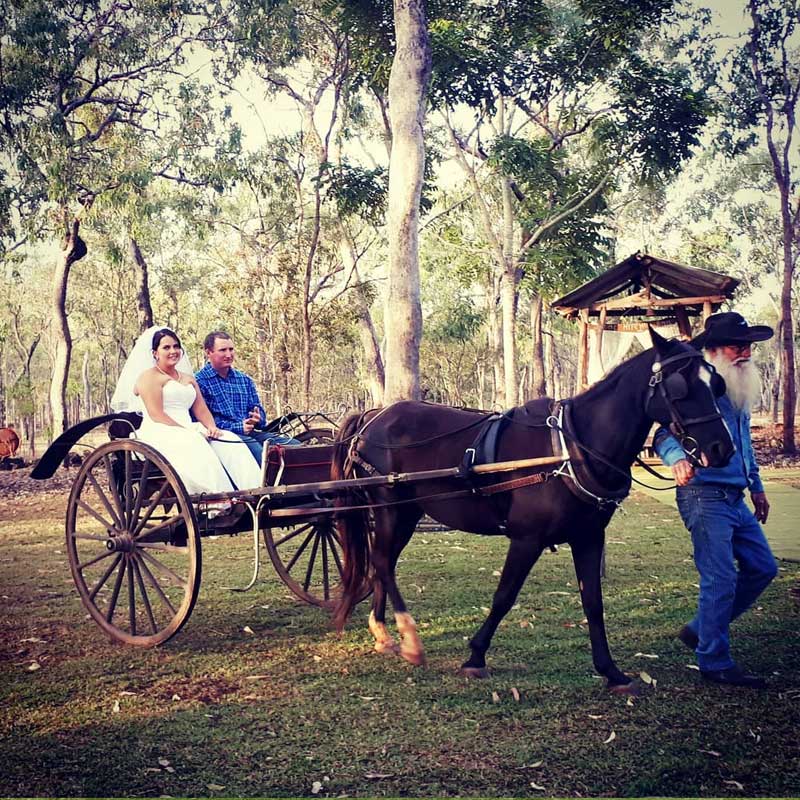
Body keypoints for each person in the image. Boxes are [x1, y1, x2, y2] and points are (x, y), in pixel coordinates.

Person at [654, 311, 778, 688]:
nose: (745, 352)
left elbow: (744, 445)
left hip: (735, 496)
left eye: (748, 346)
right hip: (702, 494)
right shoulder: (697, 386)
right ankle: (713, 661)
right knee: (720, 577)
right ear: (713, 350)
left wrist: (755, 485)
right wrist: (676, 460)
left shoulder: (738, 388)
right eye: (736, 346)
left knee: (763, 568)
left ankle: (699, 630)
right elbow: (662, 434)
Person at [111, 326, 261, 510]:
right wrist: (191, 430)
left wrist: (211, 427)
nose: (173, 351)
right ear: (155, 352)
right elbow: (157, 415)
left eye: (176, 346)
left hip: (189, 428)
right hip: (160, 430)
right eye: (166, 347)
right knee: (193, 442)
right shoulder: (149, 378)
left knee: (228, 438)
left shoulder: (188, 379)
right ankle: (213, 502)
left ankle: (253, 492)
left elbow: (201, 410)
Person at [195, 330, 299, 466]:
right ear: (208, 352)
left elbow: (258, 412)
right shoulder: (200, 381)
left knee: (296, 447)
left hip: (250, 434)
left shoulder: (244, 379)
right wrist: (238, 427)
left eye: (231, 349)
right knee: (262, 456)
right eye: (222, 350)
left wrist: (257, 418)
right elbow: (202, 420)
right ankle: (269, 486)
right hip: (222, 438)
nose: (228, 354)